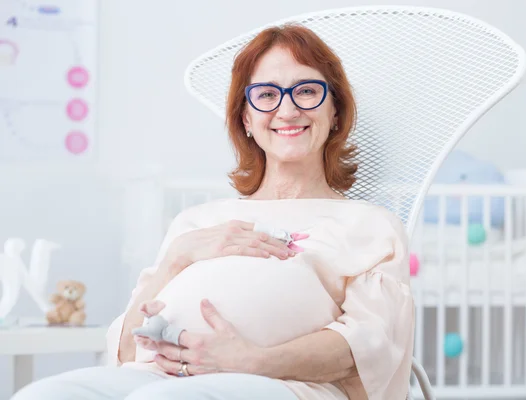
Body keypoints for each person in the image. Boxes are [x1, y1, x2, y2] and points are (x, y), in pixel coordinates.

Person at [11, 23, 415, 400]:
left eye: (307, 91)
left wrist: (252, 361)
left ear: (336, 112)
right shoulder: (195, 223)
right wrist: (176, 259)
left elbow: (369, 346)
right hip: (153, 377)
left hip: (286, 384)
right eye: (267, 95)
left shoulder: (371, 227)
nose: (288, 110)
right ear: (247, 119)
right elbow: (124, 351)